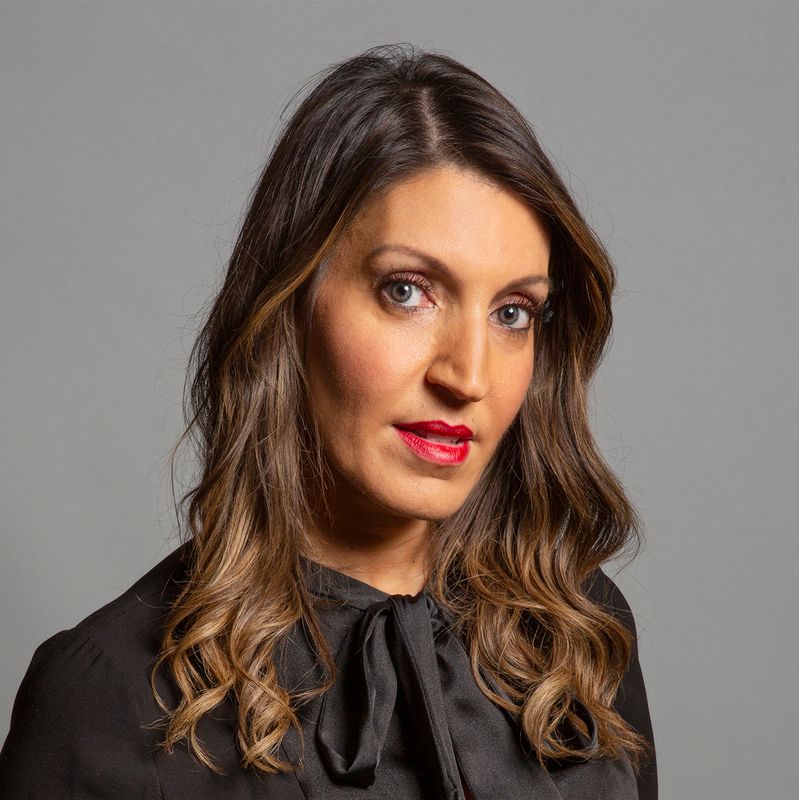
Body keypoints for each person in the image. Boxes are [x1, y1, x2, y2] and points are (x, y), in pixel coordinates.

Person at [0, 43, 657, 799]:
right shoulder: (109, 703)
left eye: (512, 312)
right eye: (407, 291)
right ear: (290, 304)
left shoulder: (579, 636)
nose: (468, 377)